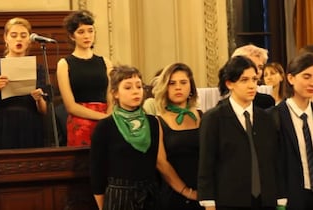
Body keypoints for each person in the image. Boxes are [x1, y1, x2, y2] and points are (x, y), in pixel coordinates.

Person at [91, 65, 197, 210]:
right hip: (120, 195)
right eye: (128, 88)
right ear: (115, 93)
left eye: (139, 86)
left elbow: (157, 164)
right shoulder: (105, 126)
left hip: (150, 195)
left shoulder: (153, 122)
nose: (135, 91)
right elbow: (97, 172)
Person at [198, 56, 286, 210]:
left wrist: (280, 198)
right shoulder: (213, 118)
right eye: (244, 80)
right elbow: (206, 163)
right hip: (229, 200)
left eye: (254, 79)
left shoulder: (266, 118)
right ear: (230, 83)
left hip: (266, 200)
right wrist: (208, 202)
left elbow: (275, 160)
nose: (252, 85)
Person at [0, 17, 47, 149]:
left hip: (31, 123)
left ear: (29, 40)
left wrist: (39, 99)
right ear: (6, 38)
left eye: (23, 35)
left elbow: (44, 110)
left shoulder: (38, 68)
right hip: (5, 123)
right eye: (14, 35)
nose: (18, 39)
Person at [56, 9, 113, 146]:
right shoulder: (64, 64)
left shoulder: (106, 62)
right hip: (80, 123)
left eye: (90, 30)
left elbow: (112, 97)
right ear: (72, 36)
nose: (87, 35)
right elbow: (70, 106)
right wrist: (103, 117)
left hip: (107, 121)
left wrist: (109, 117)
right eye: (81, 32)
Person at [152, 63, 203, 210]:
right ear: (165, 88)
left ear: (191, 87)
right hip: (174, 194)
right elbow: (161, 163)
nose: (178, 87)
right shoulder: (158, 121)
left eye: (183, 82)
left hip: (205, 191)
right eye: (172, 83)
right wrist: (186, 191)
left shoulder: (203, 116)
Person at [269, 52, 313, 210]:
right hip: (291, 197)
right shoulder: (273, 116)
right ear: (291, 78)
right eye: (306, 76)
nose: (312, 82)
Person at [232, 44, 275, 109]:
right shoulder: (222, 108)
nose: (257, 71)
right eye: (252, 66)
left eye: (260, 67)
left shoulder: (267, 102)